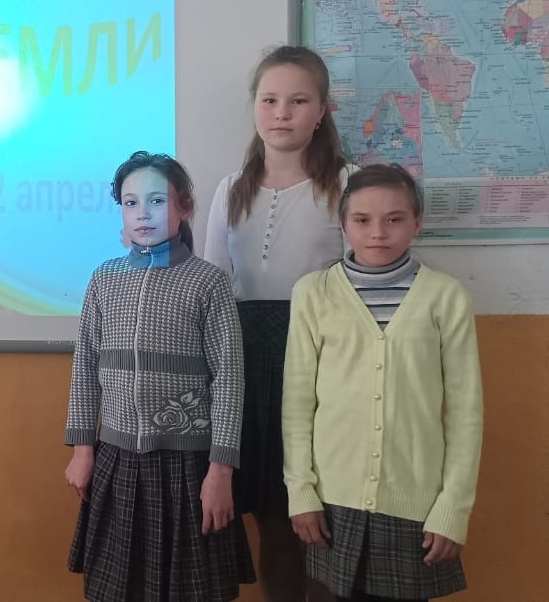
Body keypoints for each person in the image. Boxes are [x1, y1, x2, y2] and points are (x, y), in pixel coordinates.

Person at [283, 164, 482, 602]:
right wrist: (301, 492)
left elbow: (466, 414)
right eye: (362, 219)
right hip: (331, 501)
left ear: (417, 223)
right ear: (343, 225)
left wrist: (453, 507)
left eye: (395, 219)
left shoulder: (445, 296)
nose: (378, 232)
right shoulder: (313, 293)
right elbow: (296, 404)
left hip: (415, 503)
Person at [64, 151, 254, 602]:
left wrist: (220, 472)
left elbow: (229, 381)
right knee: (119, 589)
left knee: (190, 591)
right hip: (116, 461)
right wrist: (83, 450)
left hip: (188, 465)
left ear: (185, 206)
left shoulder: (208, 282)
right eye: (131, 203)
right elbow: (85, 370)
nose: (142, 214)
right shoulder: (104, 280)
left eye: (156, 201)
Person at [203, 44, 356, 602]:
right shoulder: (231, 189)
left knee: (320, 512)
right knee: (271, 513)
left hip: (323, 360)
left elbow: (360, 285)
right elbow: (214, 289)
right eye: (269, 100)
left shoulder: (347, 183)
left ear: (322, 110)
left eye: (298, 101)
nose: (282, 113)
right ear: (255, 107)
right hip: (248, 362)